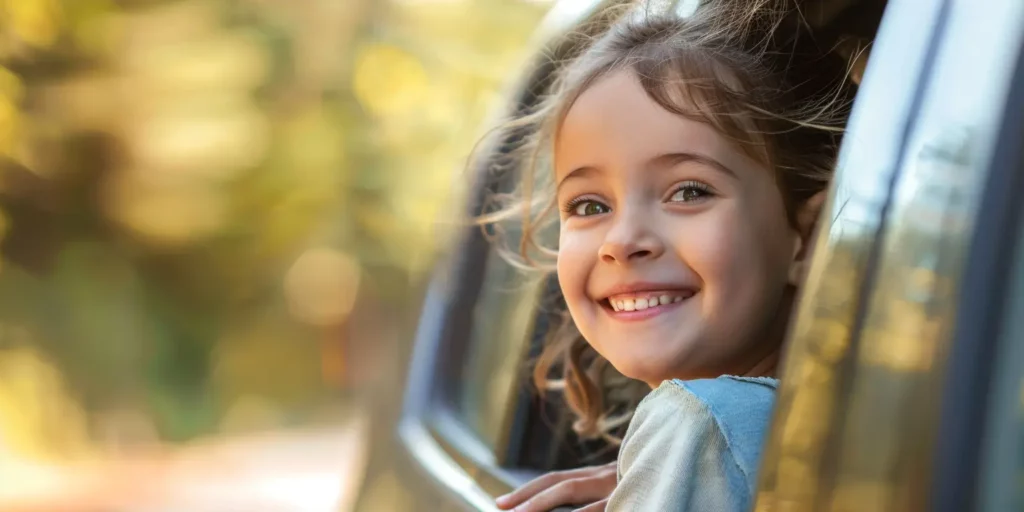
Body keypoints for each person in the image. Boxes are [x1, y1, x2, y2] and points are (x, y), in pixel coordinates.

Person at [482, 0, 858, 510]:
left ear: (809, 237)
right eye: (589, 204)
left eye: (688, 192)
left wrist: (694, 448)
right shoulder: (843, 439)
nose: (621, 241)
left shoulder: (698, 424)